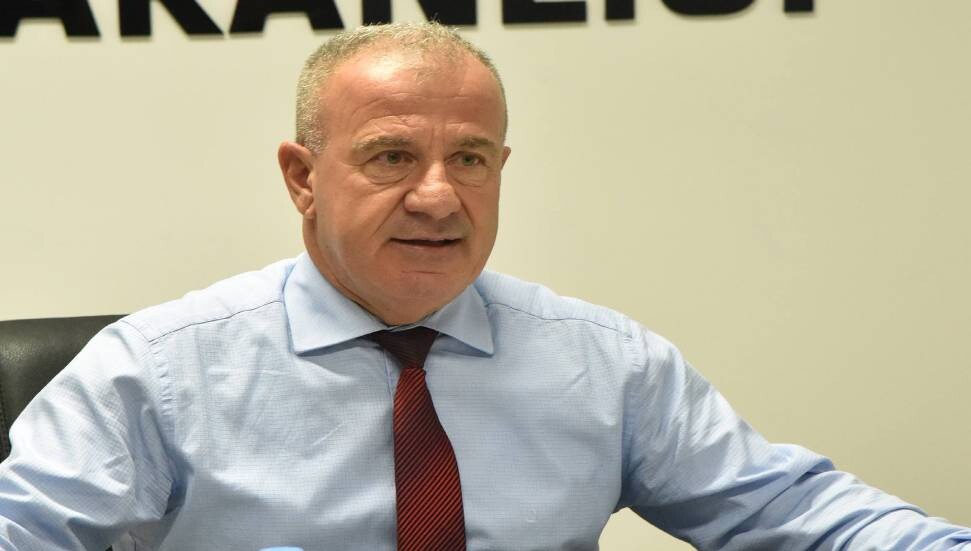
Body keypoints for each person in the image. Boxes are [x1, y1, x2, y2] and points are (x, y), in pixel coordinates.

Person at [0, 22, 968, 551]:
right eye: (391, 155)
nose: (438, 196)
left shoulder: (603, 363)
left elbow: (796, 514)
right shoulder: (157, 370)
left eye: (468, 158)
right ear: (302, 176)